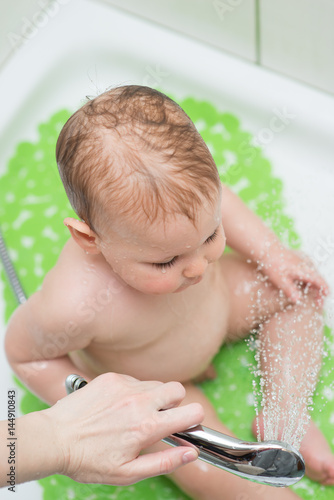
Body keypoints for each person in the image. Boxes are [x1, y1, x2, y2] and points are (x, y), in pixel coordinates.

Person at [5, 85, 333, 499]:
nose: (198, 267)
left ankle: (284, 415)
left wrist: (273, 255)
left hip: (221, 307)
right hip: (159, 385)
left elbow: (225, 203)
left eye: (211, 234)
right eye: (165, 262)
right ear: (91, 240)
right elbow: (25, 354)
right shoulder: (75, 304)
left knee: (298, 286)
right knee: (199, 464)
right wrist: (85, 406)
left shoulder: (185, 205)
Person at [0, 372, 203, 487]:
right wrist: (75, 411)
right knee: (203, 466)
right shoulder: (65, 307)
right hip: (142, 402)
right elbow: (27, 355)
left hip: (148, 394)